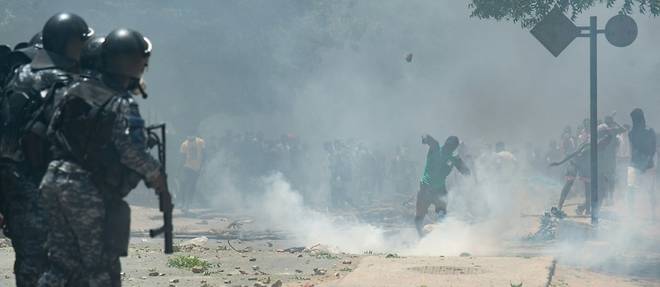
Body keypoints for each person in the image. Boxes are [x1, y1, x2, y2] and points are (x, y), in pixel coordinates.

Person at [38, 28, 165, 286]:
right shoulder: (119, 102)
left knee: (61, 263)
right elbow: (131, 152)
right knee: (100, 266)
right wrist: (156, 177)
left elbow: (50, 132)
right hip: (85, 189)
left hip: (52, 179)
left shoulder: (72, 90)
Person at [0, 13, 93, 286]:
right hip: (47, 191)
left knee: (30, 264)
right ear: (68, 43)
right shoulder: (65, 83)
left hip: (15, 189)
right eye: (80, 43)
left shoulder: (18, 76)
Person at [414, 135, 470, 236]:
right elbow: (466, 172)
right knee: (439, 211)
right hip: (429, 188)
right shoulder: (450, 156)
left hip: (428, 188)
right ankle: (439, 235)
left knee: (422, 215)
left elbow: (465, 171)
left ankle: (427, 236)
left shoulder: (446, 154)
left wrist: (425, 139)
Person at [627, 108, 657, 220]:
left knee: (651, 191)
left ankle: (653, 215)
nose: (634, 121)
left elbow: (653, 149)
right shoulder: (631, 133)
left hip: (648, 165)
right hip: (634, 165)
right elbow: (634, 150)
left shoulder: (650, 131)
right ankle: (631, 215)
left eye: (635, 119)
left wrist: (647, 161)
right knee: (630, 190)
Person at [180, 135, 206, 211]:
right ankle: (184, 204)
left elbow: (204, 154)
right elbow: (182, 157)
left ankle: (187, 204)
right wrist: (180, 169)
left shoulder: (200, 142)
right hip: (187, 167)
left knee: (192, 186)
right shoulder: (184, 144)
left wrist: (203, 166)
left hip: (197, 169)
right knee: (186, 184)